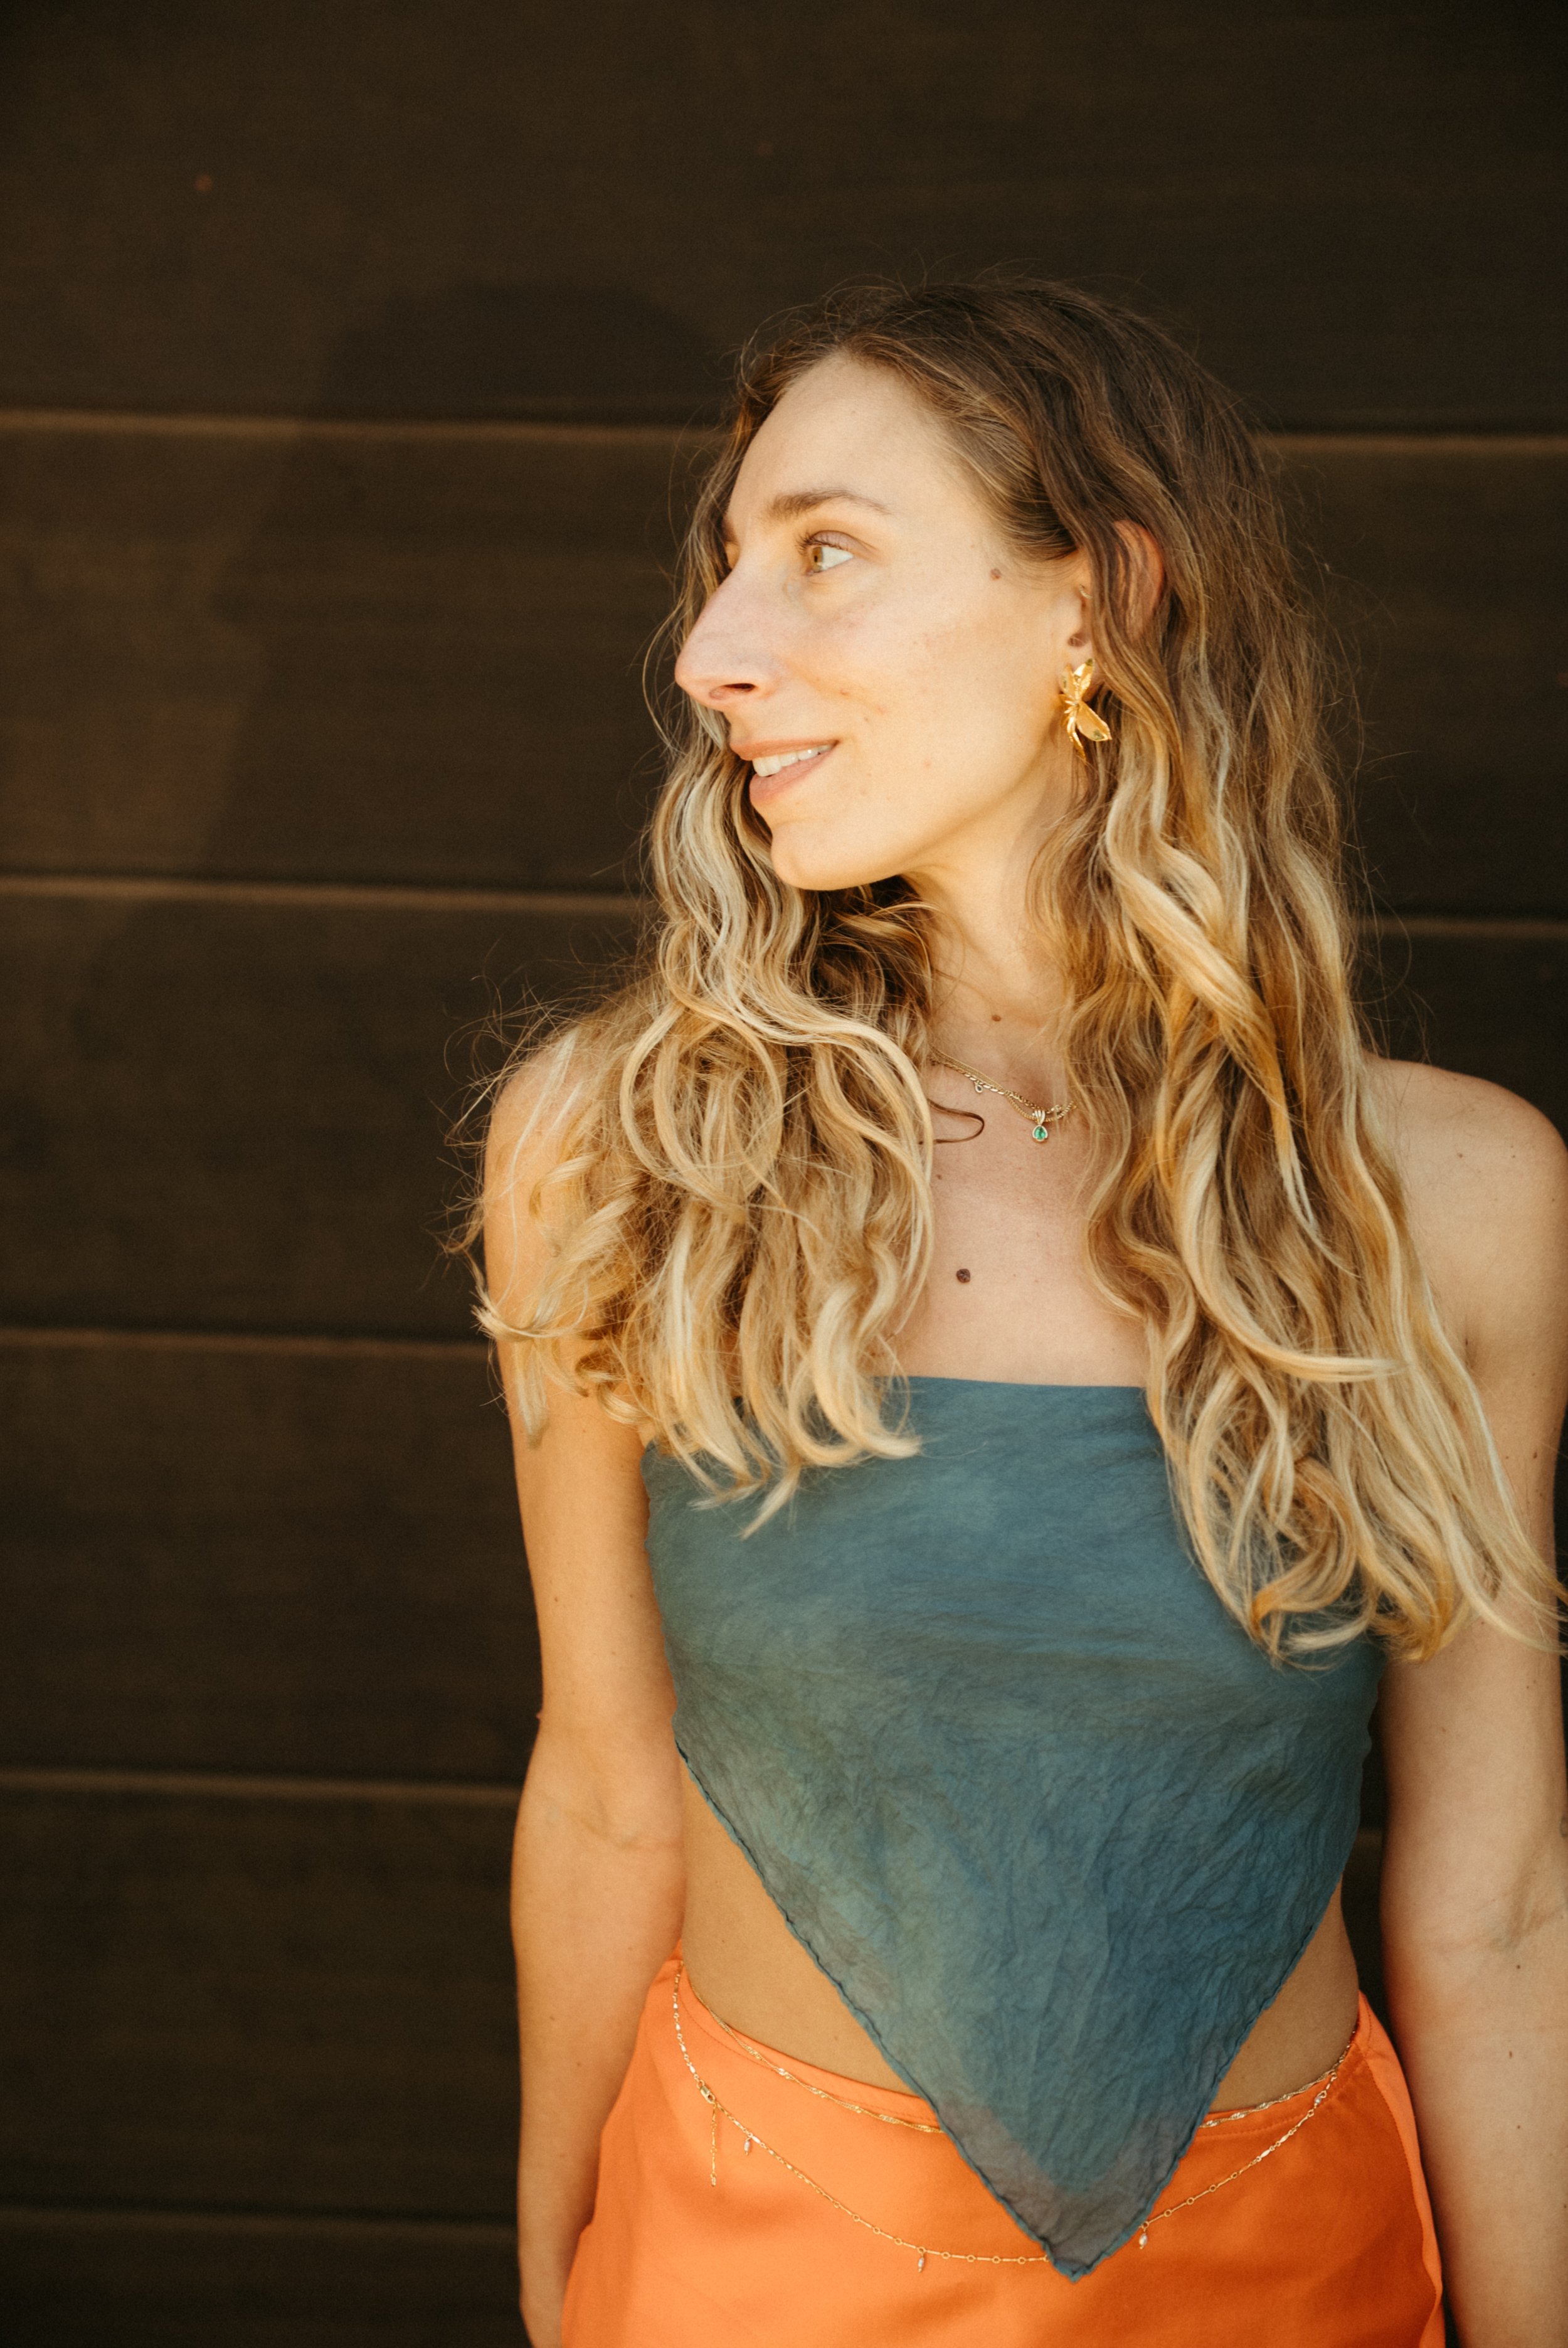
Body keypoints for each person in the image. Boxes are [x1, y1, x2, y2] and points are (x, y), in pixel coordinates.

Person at [474, 280, 1568, 2347]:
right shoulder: (623, 1149)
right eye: (727, 563)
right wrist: (562, 2260)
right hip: (744, 2272)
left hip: (1287, 2285)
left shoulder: (1449, 1196)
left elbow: (1497, 1897)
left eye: (825, 552)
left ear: (1102, 600)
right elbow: (606, 1784)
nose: (711, 653)